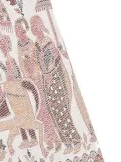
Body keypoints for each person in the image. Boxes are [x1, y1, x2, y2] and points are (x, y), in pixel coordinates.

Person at [30, 14, 81, 152]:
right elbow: (37, 63)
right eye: (32, 26)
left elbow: (55, 59)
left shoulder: (48, 42)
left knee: (63, 111)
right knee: (54, 113)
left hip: (55, 80)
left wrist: (50, 73)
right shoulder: (36, 45)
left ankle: (75, 140)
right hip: (46, 82)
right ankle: (67, 143)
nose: (34, 28)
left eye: (36, 25)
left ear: (41, 25)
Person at [14, 18, 59, 150]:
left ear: (24, 29)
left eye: (19, 29)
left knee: (45, 111)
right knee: (37, 113)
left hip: (37, 80)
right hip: (29, 83)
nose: (17, 31)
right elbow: (21, 65)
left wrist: (33, 72)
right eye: (15, 29)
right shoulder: (19, 46)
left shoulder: (32, 44)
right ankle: (48, 140)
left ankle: (56, 139)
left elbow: (37, 61)